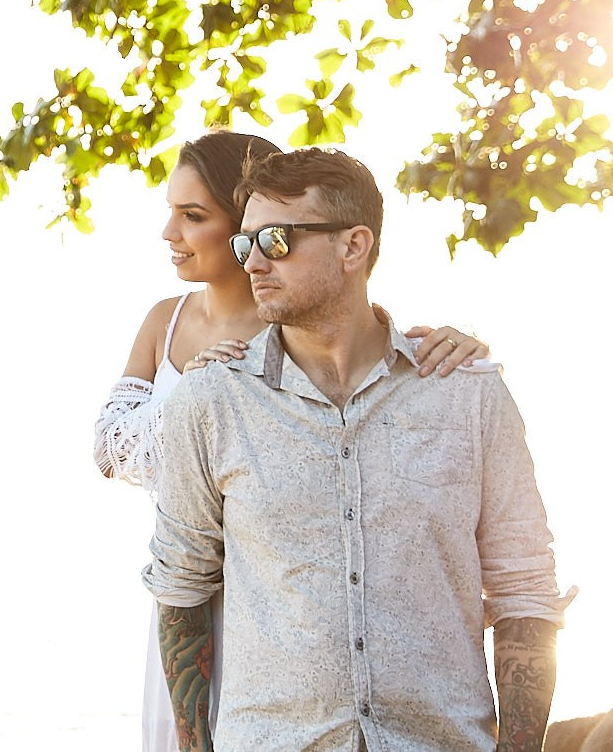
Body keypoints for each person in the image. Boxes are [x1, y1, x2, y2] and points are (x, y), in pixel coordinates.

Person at [145, 147, 567, 752]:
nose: (255, 262)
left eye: (279, 241)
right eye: (246, 244)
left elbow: (524, 590)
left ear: (354, 246)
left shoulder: (466, 396)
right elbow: (181, 589)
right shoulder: (211, 401)